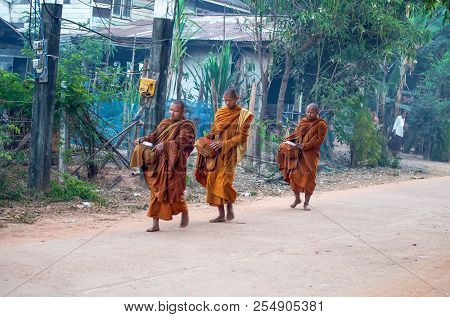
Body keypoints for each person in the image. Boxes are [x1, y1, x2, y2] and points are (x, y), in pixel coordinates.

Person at [131, 100, 195, 232]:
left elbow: (185, 141)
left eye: (175, 110)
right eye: (171, 109)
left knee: (174, 192)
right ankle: (155, 224)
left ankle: (183, 211)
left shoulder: (187, 126)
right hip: (159, 162)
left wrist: (165, 145)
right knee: (156, 192)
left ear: (183, 112)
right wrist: (145, 139)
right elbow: (155, 136)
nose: (172, 112)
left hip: (175, 164)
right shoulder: (165, 122)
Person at [195, 88, 253, 223]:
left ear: (237, 98)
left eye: (230, 100)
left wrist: (224, 144)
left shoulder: (244, 115)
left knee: (225, 182)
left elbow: (242, 137)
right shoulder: (220, 113)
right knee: (213, 181)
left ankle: (230, 205)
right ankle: (221, 214)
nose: (227, 103)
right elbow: (215, 131)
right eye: (225, 100)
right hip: (215, 153)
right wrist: (206, 139)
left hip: (229, 153)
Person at [277, 103, 328, 211]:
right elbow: (296, 134)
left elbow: (319, 141)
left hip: (310, 155)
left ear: (317, 113)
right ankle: (297, 199)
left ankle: (306, 203)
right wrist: (287, 141)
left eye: (312, 112)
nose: (309, 114)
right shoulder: (303, 121)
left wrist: (304, 146)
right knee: (294, 175)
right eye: (308, 112)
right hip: (298, 154)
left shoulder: (321, 124)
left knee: (309, 177)